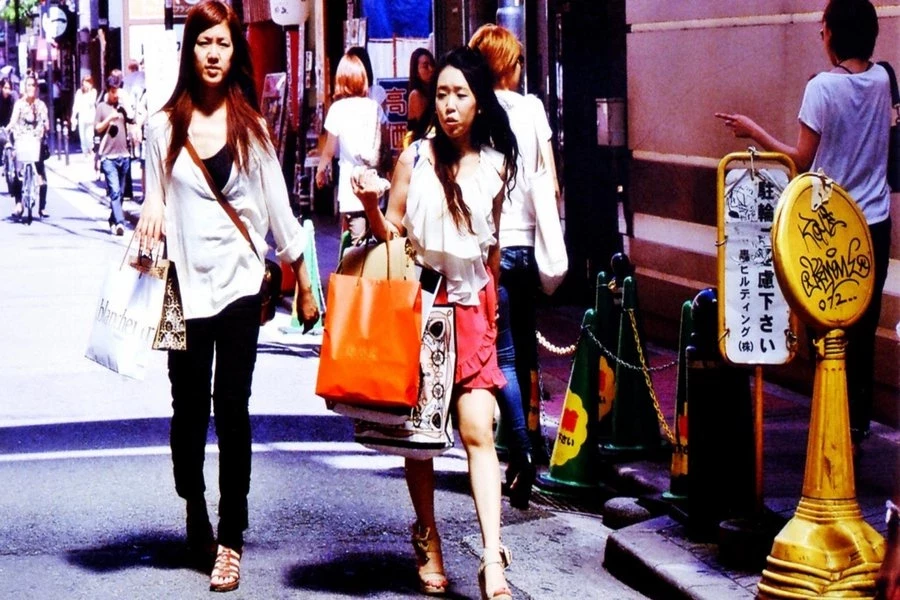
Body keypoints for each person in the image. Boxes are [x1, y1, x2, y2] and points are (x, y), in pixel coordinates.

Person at [134, 0, 319, 592]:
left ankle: (231, 538)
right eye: (203, 42)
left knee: (232, 409)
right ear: (189, 50)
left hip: (240, 286)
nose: (213, 53)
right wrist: (152, 205)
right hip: (179, 289)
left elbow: (279, 212)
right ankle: (194, 506)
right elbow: (154, 197)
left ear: (235, 52)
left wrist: (304, 281)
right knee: (187, 412)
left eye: (223, 43)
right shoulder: (162, 127)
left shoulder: (252, 128)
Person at [352, 46, 519, 600]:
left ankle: (492, 555)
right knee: (420, 437)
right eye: (442, 94)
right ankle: (428, 537)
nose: (449, 105)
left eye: (460, 95)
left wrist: (492, 311)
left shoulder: (495, 164)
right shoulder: (414, 160)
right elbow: (392, 233)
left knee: (478, 431)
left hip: (472, 308)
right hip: (420, 308)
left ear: (479, 102)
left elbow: (491, 247)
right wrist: (371, 207)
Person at [715, 0, 892, 454]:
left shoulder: (821, 89)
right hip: (873, 225)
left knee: (824, 329)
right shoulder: (883, 80)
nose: (821, 34)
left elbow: (800, 160)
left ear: (835, 33)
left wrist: (753, 131)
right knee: (862, 327)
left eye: (823, 27)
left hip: (827, 226)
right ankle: (855, 425)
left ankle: (830, 425)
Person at [470, 23, 562, 505]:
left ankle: (520, 452)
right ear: (508, 64)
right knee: (525, 350)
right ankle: (530, 437)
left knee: (496, 353)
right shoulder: (532, 109)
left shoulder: (477, 109)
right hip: (528, 246)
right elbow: (551, 181)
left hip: (492, 246)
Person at [314, 52, 384, 245]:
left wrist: (320, 171)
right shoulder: (374, 107)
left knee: (357, 244)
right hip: (374, 185)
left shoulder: (337, 109)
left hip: (351, 188)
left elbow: (329, 150)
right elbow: (383, 145)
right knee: (377, 242)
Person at [95, 73, 133, 235]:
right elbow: (97, 128)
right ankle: (119, 223)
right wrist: (109, 119)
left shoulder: (122, 107)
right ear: (108, 90)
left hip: (124, 155)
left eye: (117, 91)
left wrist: (127, 106)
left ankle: (112, 219)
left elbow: (132, 119)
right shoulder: (101, 107)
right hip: (108, 157)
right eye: (113, 91)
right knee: (115, 191)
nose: (116, 94)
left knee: (121, 194)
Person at [8, 74, 49, 219]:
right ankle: (19, 204)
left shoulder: (41, 105)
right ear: (25, 87)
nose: (31, 88)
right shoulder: (19, 104)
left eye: (33, 85)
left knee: (41, 175)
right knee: (17, 173)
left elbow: (45, 122)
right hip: (22, 140)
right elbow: (13, 120)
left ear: (37, 88)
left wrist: (45, 125)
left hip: (36, 141)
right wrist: (7, 129)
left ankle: (42, 207)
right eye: (28, 85)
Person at [406, 48, 435, 138]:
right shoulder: (416, 95)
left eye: (432, 64)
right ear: (417, 72)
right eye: (425, 66)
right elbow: (425, 127)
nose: (431, 69)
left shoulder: (434, 91)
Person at [70, 75, 97, 158]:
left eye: (88, 82)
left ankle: (90, 149)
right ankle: (85, 152)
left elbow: (92, 102)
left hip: (90, 117)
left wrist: (89, 91)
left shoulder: (93, 92)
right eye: (84, 82)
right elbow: (76, 105)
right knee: (82, 136)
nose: (85, 84)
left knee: (89, 135)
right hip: (82, 116)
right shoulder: (79, 92)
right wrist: (73, 116)